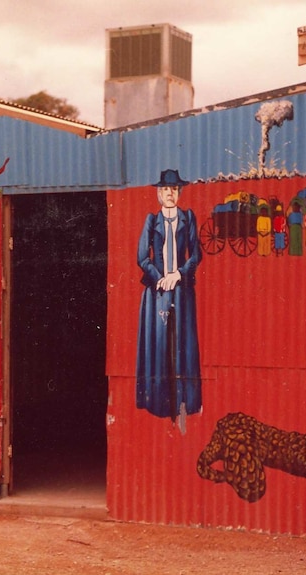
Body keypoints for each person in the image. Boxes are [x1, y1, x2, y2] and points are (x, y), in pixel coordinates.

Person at [135, 169, 202, 433]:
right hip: (157, 293)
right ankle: (159, 404)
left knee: (183, 344)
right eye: (165, 190)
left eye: (174, 189)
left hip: (182, 290)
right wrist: (160, 278)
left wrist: (178, 274)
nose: (170, 194)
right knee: (160, 345)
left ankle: (186, 403)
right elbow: (142, 257)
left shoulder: (188, 218)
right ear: (159, 194)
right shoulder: (151, 221)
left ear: (179, 192)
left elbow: (196, 254)